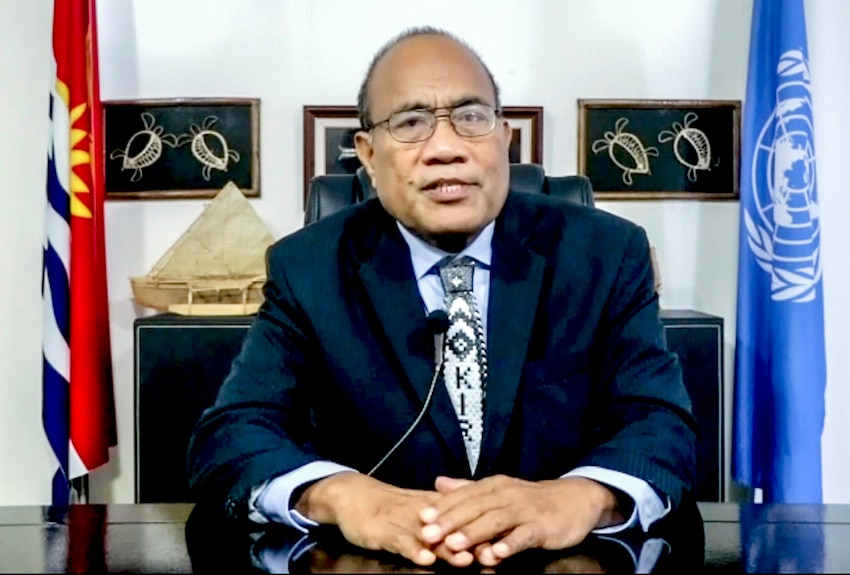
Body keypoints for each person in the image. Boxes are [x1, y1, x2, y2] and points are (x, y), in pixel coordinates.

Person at [187, 26, 697, 568]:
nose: (446, 149)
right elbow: (231, 435)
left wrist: (583, 498)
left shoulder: (605, 253)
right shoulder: (308, 268)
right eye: (410, 123)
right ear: (368, 153)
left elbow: (661, 424)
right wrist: (340, 495)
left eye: (471, 118)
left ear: (504, 136)